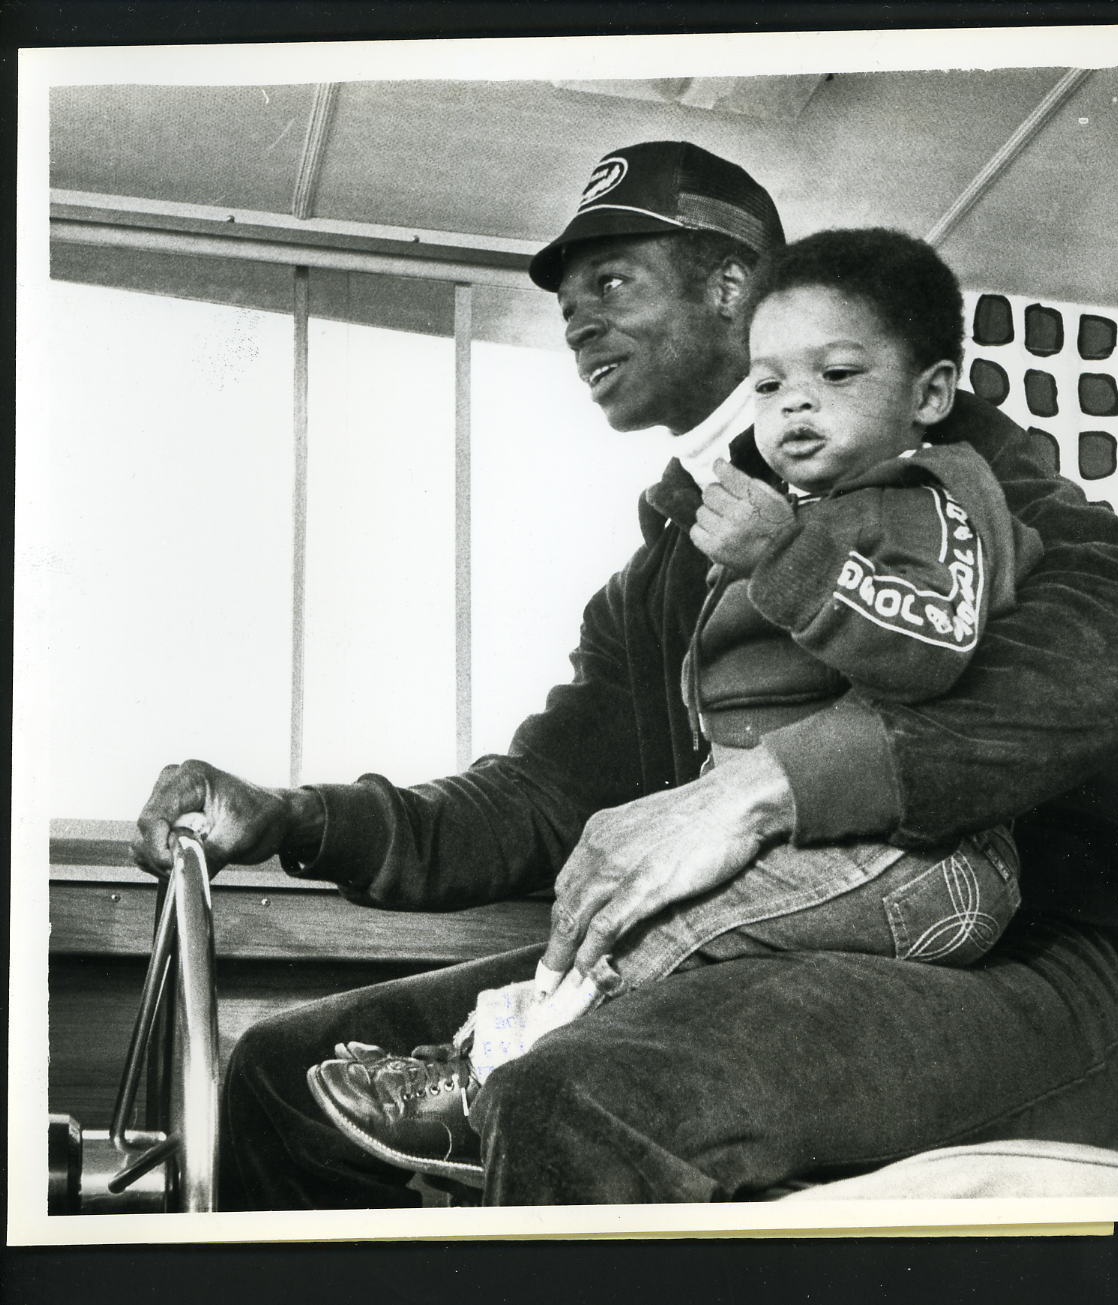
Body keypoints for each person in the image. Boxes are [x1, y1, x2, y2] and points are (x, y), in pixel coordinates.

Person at [132, 140, 1118, 1208]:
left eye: (612, 282)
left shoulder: (951, 461)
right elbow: (539, 798)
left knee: (575, 1091)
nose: (577, 320)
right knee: (275, 1075)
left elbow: (1112, 662)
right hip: (741, 955)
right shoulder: (669, 564)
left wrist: (760, 791)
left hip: (994, 962)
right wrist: (292, 818)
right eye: (567, 300)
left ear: (733, 288)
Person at [302, 227, 1048, 1176]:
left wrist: (785, 556)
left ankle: (481, 1084)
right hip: (831, 852)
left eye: (838, 375)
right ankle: (472, 1064)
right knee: (623, 895)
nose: (795, 405)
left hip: (925, 863)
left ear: (930, 394)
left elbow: (933, 643)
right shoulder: (760, 520)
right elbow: (560, 774)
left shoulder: (936, 492)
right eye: (772, 385)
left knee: (662, 919)